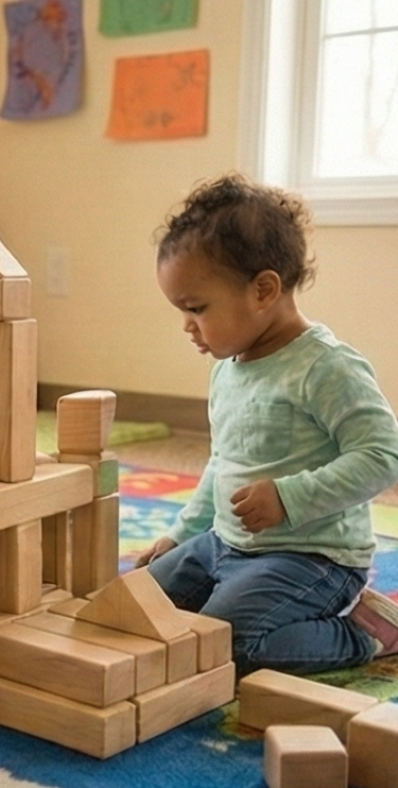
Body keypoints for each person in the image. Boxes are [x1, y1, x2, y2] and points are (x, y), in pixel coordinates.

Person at [136, 173, 398, 676]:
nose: (187, 326)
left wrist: (288, 497)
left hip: (313, 558)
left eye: (196, 309)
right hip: (224, 544)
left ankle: (365, 633)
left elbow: (382, 456)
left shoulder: (326, 367)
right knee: (137, 607)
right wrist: (180, 535)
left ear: (263, 289)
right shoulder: (228, 369)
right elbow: (223, 464)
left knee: (224, 649)